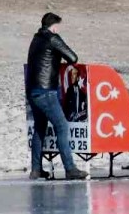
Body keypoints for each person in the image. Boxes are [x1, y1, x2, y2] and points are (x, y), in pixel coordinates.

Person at [26, 12, 89, 180]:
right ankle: (70, 168)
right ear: (54, 26)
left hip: (33, 91)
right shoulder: (52, 38)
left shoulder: (36, 38)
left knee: (40, 128)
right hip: (46, 91)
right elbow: (72, 57)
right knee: (62, 127)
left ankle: (36, 169)